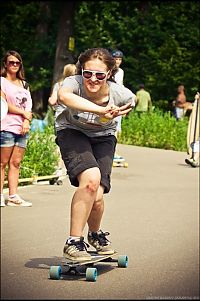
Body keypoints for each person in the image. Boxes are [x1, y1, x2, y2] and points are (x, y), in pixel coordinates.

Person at [55, 47, 136, 261]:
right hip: (71, 131)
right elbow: (64, 96)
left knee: (97, 195)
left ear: (109, 74)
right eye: (87, 73)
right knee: (91, 181)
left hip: (103, 137)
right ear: (81, 71)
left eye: (100, 75)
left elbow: (131, 102)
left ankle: (95, 235)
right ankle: (73, 242)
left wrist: (121, 111)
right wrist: (101, 110)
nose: (93, 79)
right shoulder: (73, 83)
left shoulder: (118, 92)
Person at [0, 50, 33, 207]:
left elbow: (29, 106)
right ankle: (0, 195)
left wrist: (26, 121)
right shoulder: (1, 82)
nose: (14, 65)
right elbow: (4, 104)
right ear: (5, 64)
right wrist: (24, 113)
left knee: (16, 162)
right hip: (6, 127)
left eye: (17, 62)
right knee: (2, 163)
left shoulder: (25, 84)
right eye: (11, 62)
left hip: (22, 129)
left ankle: (13, 196)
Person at [48, 63, 77, 172]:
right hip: (76, 118)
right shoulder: (78, 86)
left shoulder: (59, 85)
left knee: (60, 142)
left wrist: (55, 105)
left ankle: (58, 168)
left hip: (61, 118)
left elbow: (52, 101)